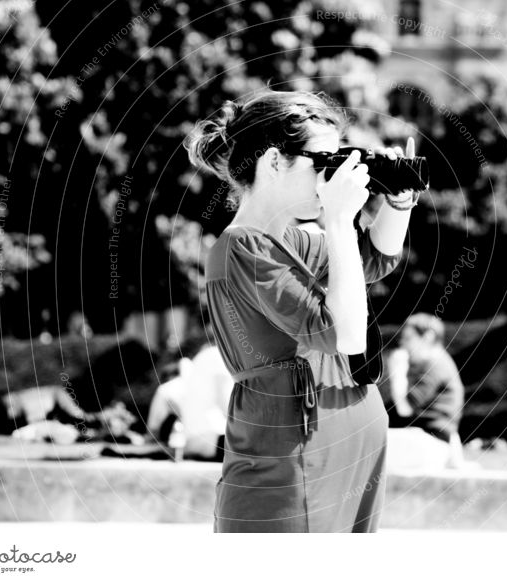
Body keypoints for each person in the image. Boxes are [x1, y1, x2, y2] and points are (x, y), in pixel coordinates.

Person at [186, 89, 417, 532]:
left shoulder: (291, 240)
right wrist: (338, 220)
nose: (331, 177)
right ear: (274, 162)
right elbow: (344, 334)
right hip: (293, 453)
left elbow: (373, 259)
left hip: (347, 446)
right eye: (323, 162)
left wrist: (398, 199)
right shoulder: (240, 247)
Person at [381, 313, 474, 469]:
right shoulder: (438, 362)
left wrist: (397, 372)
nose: (403, 344)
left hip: (428, 445)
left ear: (428, 337)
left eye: (408, 338)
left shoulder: (435, 366)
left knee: (365, 441)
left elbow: (405, 409)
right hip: (433, 444)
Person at [146, 342, 233, 460]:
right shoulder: (219, 356)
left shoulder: (206, 356)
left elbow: (153, 428)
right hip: (213, 438)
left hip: (192, 440)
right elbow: (229, 407)